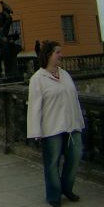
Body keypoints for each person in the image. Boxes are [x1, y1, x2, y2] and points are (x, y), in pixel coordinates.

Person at [27, 41, 85, 207]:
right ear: (48, 55)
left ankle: (66, 188)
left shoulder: (65, 74)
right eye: (57, 52)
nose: (61, 55)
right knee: (52, 164)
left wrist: (79, 123)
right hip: (51, 129)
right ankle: (54, 195)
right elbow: (34, 108)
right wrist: (35, 132)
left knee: (74, 158)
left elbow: (74, 100)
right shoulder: (37, 79)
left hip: (71, 126)